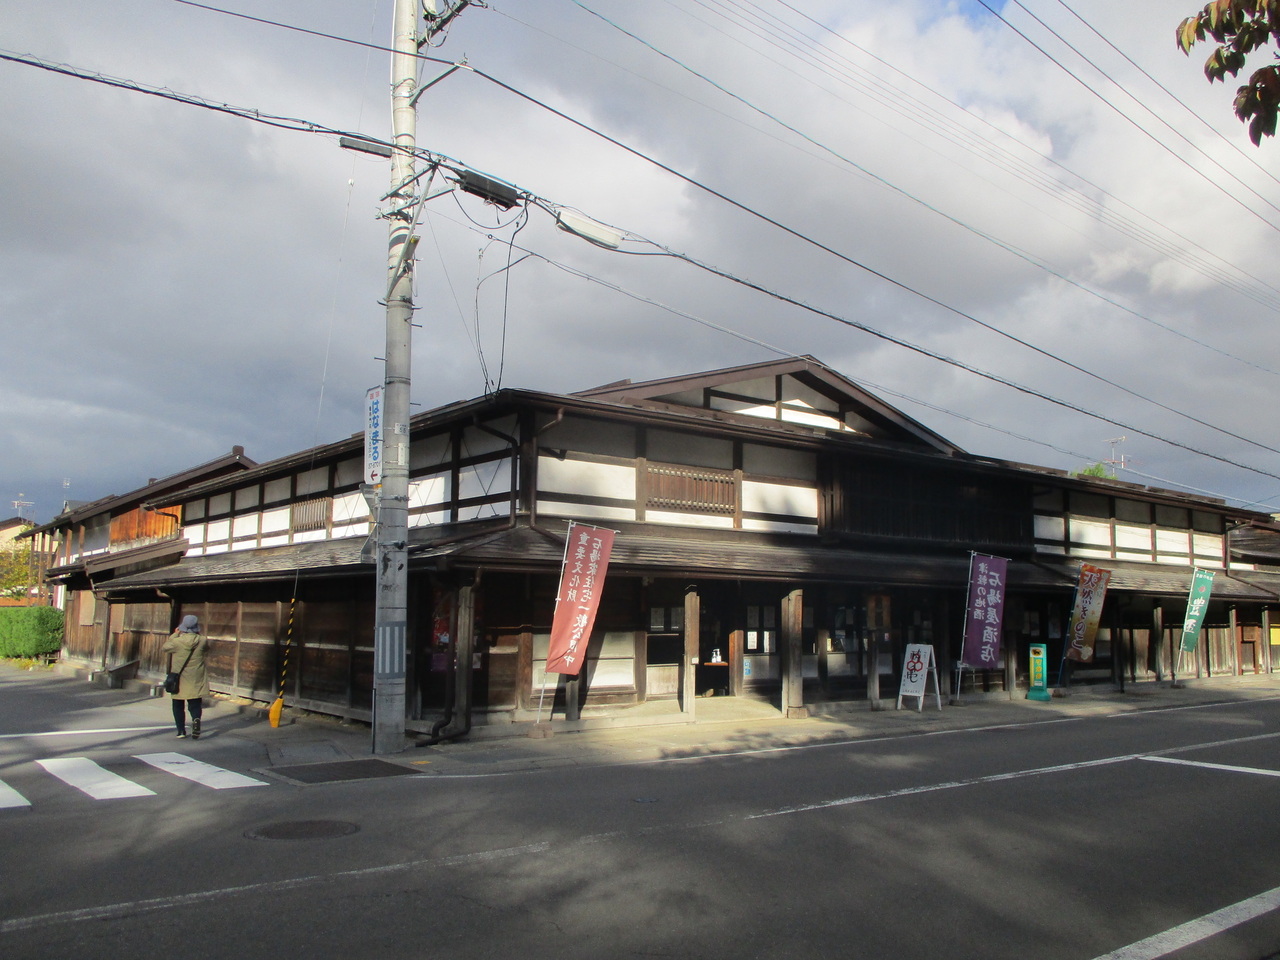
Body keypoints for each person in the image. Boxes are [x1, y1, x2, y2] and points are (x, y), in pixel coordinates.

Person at [162, 614, 210, 739]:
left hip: (179, 677)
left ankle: (181, 731)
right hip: (196, 676)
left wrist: (175, 634)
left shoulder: (177, 642)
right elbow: (206, 650)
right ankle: (196, 720)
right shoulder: (202, 640)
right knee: (195, 703)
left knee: (177, 704)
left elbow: (165, 648)